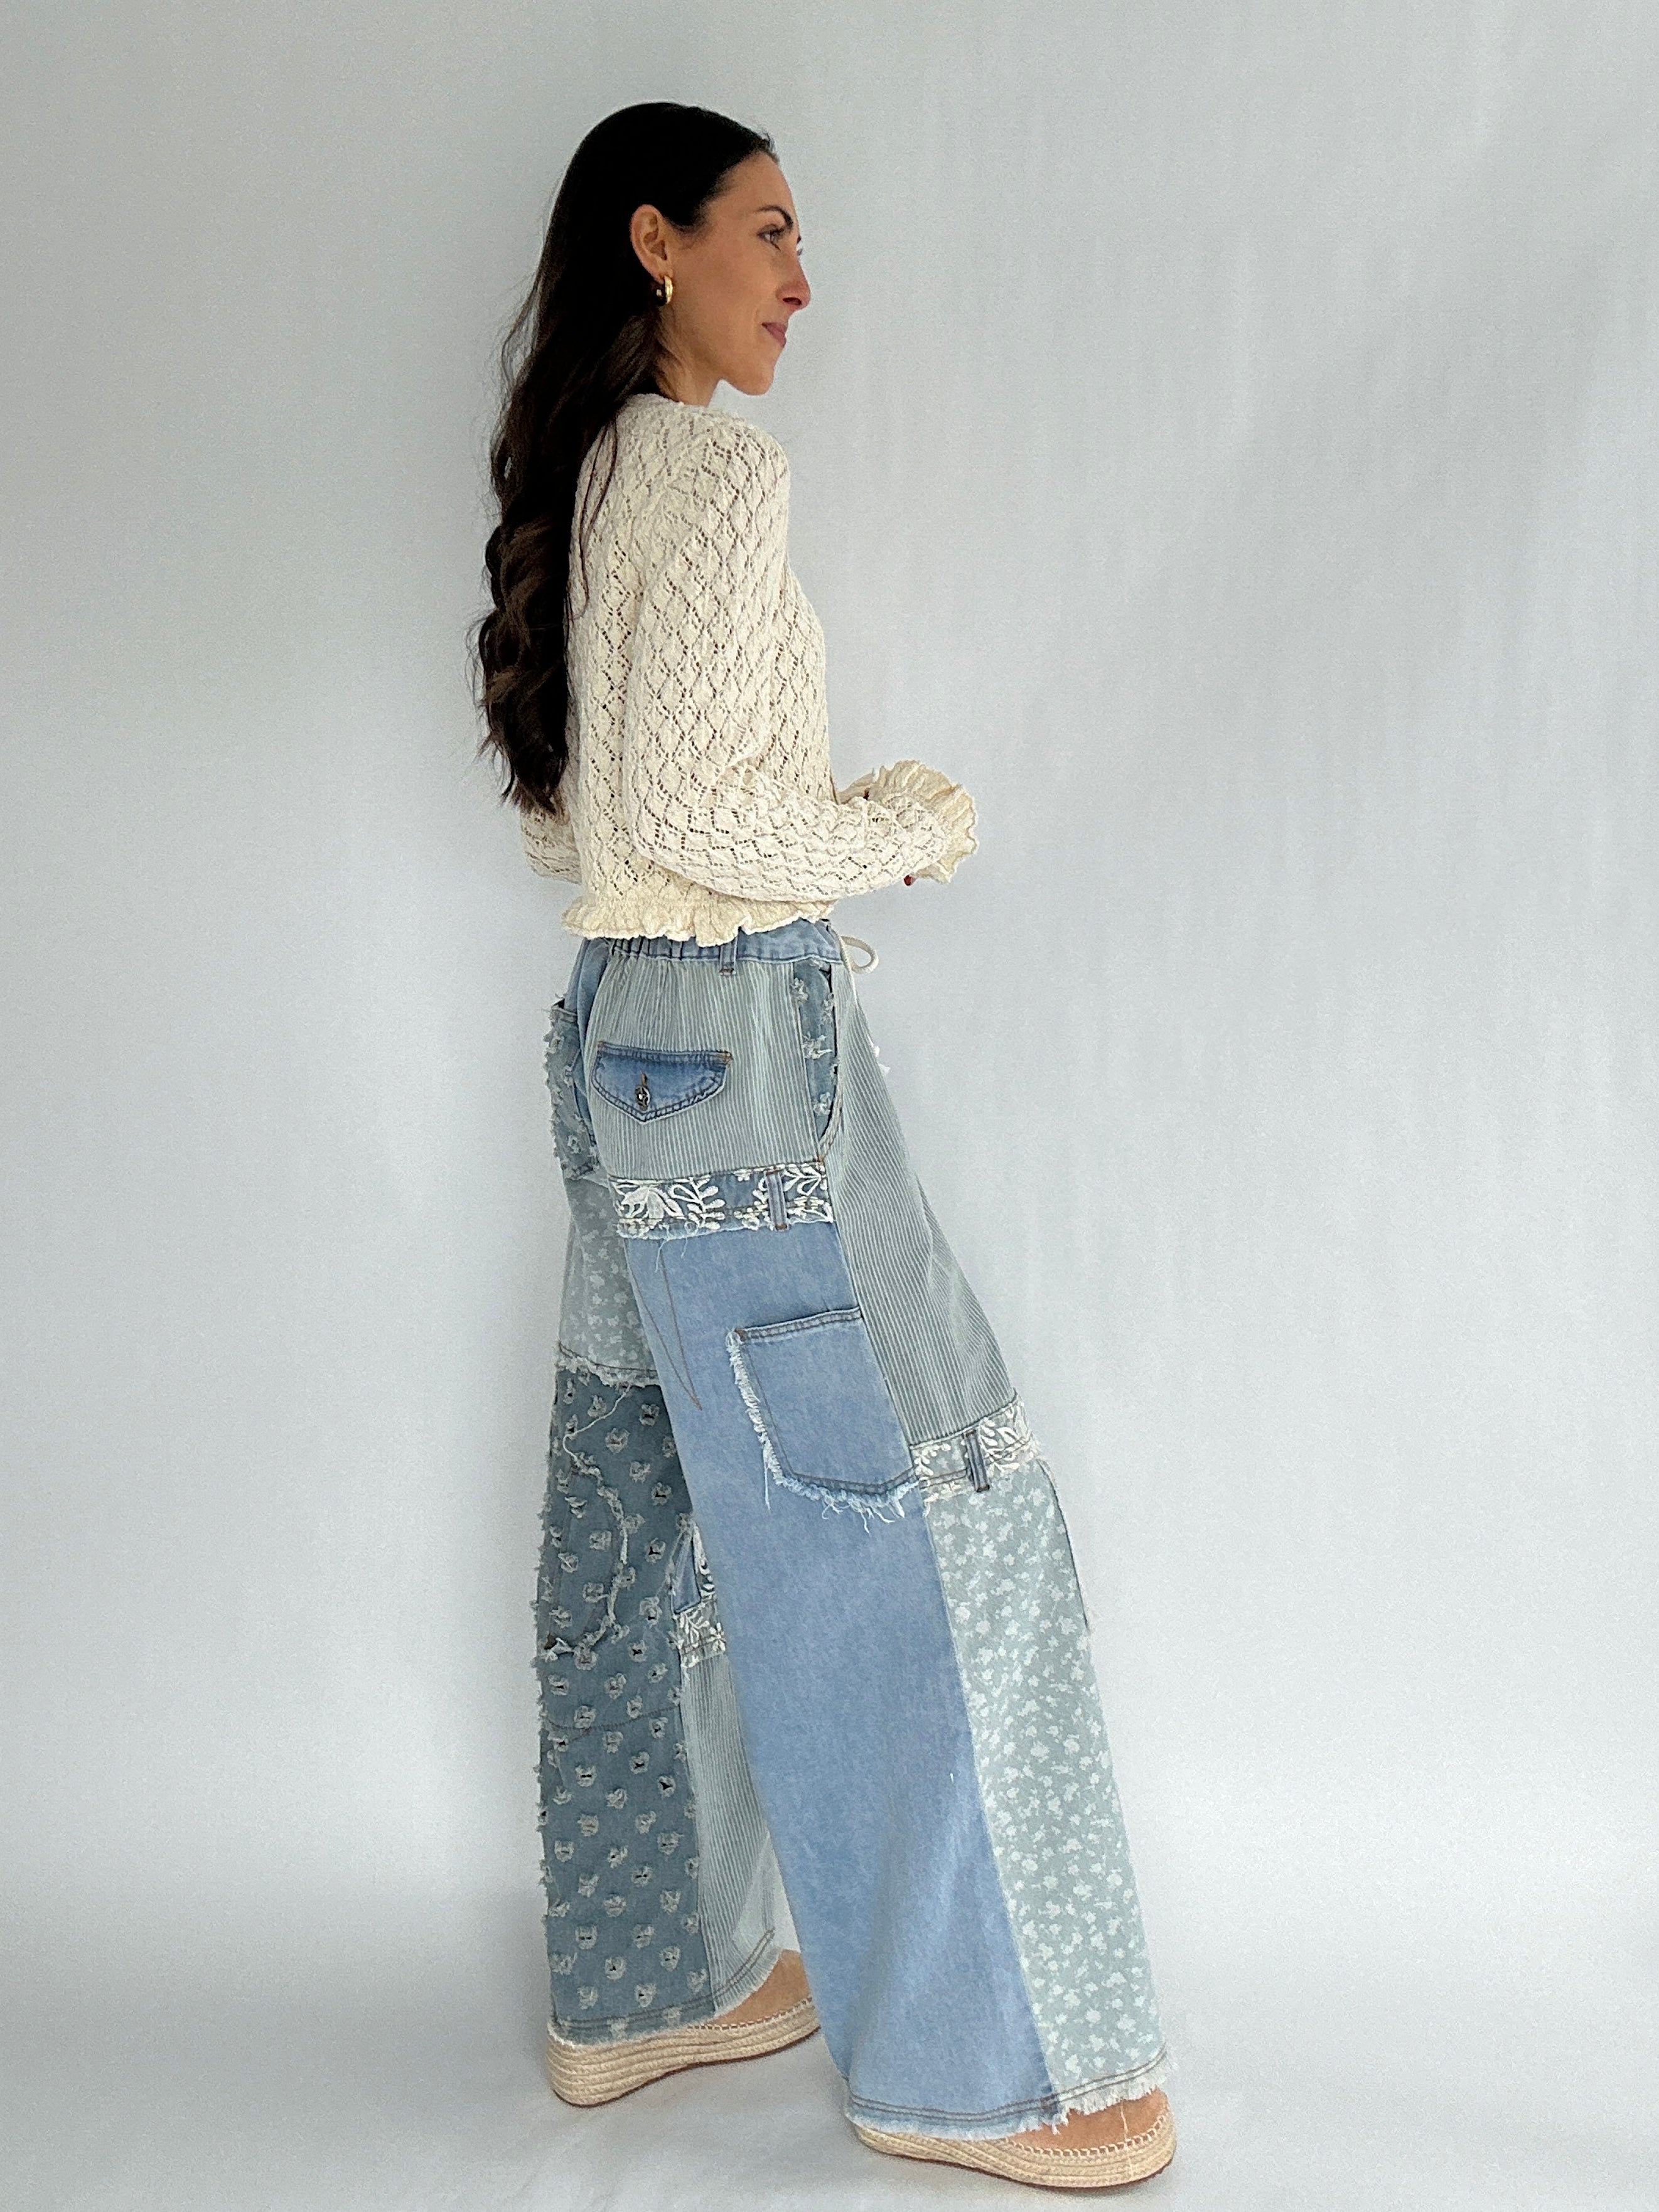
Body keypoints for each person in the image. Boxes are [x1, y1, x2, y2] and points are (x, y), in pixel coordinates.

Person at [473, 100, 1176, 2193]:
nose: (800, 279)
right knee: (897, 1517)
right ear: (655, 241)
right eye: (766, 233)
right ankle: (977, 2070)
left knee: (649, 1504)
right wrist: (908, 822)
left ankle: (655, 1978)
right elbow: (704, 818)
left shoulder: (591, 473)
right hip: (738, 1043)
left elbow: (580, 817)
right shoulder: (707, 472)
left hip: (618, 1031)